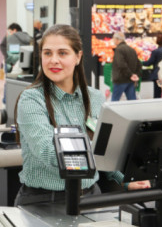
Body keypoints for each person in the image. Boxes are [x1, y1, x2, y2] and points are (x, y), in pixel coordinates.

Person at [14, 25, 149, 206]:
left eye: (62, 53)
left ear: (77, 57)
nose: (53, 60)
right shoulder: (31, 99)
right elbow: (48, 152)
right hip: (44, 200)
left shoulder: (95, 98)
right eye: (47, 53)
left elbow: (105, 151)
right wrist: (98, 151)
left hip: (91, 195)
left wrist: (125, 178)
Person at [111, 32, 142, 101]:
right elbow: (139, 64)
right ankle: (134, 112)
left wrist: (130, 75)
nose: (113, 40)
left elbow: (121, 64)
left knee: (114, 101)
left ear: (117, 39)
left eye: (113, 38)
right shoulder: (132, 50)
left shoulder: (119, 50)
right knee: (132, 101)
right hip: (130, 81)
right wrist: (135, 75)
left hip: (121, 80)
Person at [142, 34, 162, 99]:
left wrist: (140, 63)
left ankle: (158, 106)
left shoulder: (155, 52)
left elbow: (149, 63)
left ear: (157, 42)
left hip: (157, 76)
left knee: (157, 94)